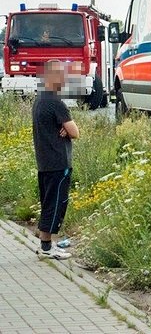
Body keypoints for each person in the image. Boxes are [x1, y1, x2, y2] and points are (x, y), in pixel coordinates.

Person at [32, 60, 80, 259]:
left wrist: (63, 128)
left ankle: (45, 243)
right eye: (61, 74)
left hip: (44, 161)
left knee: (48, 202)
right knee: (56, 203)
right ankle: (47, 248)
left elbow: (60, 128)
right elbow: (75, 132)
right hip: (58, 162)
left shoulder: (40, 100)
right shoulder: (55, 102)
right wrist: (67, 129)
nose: (65, 78)